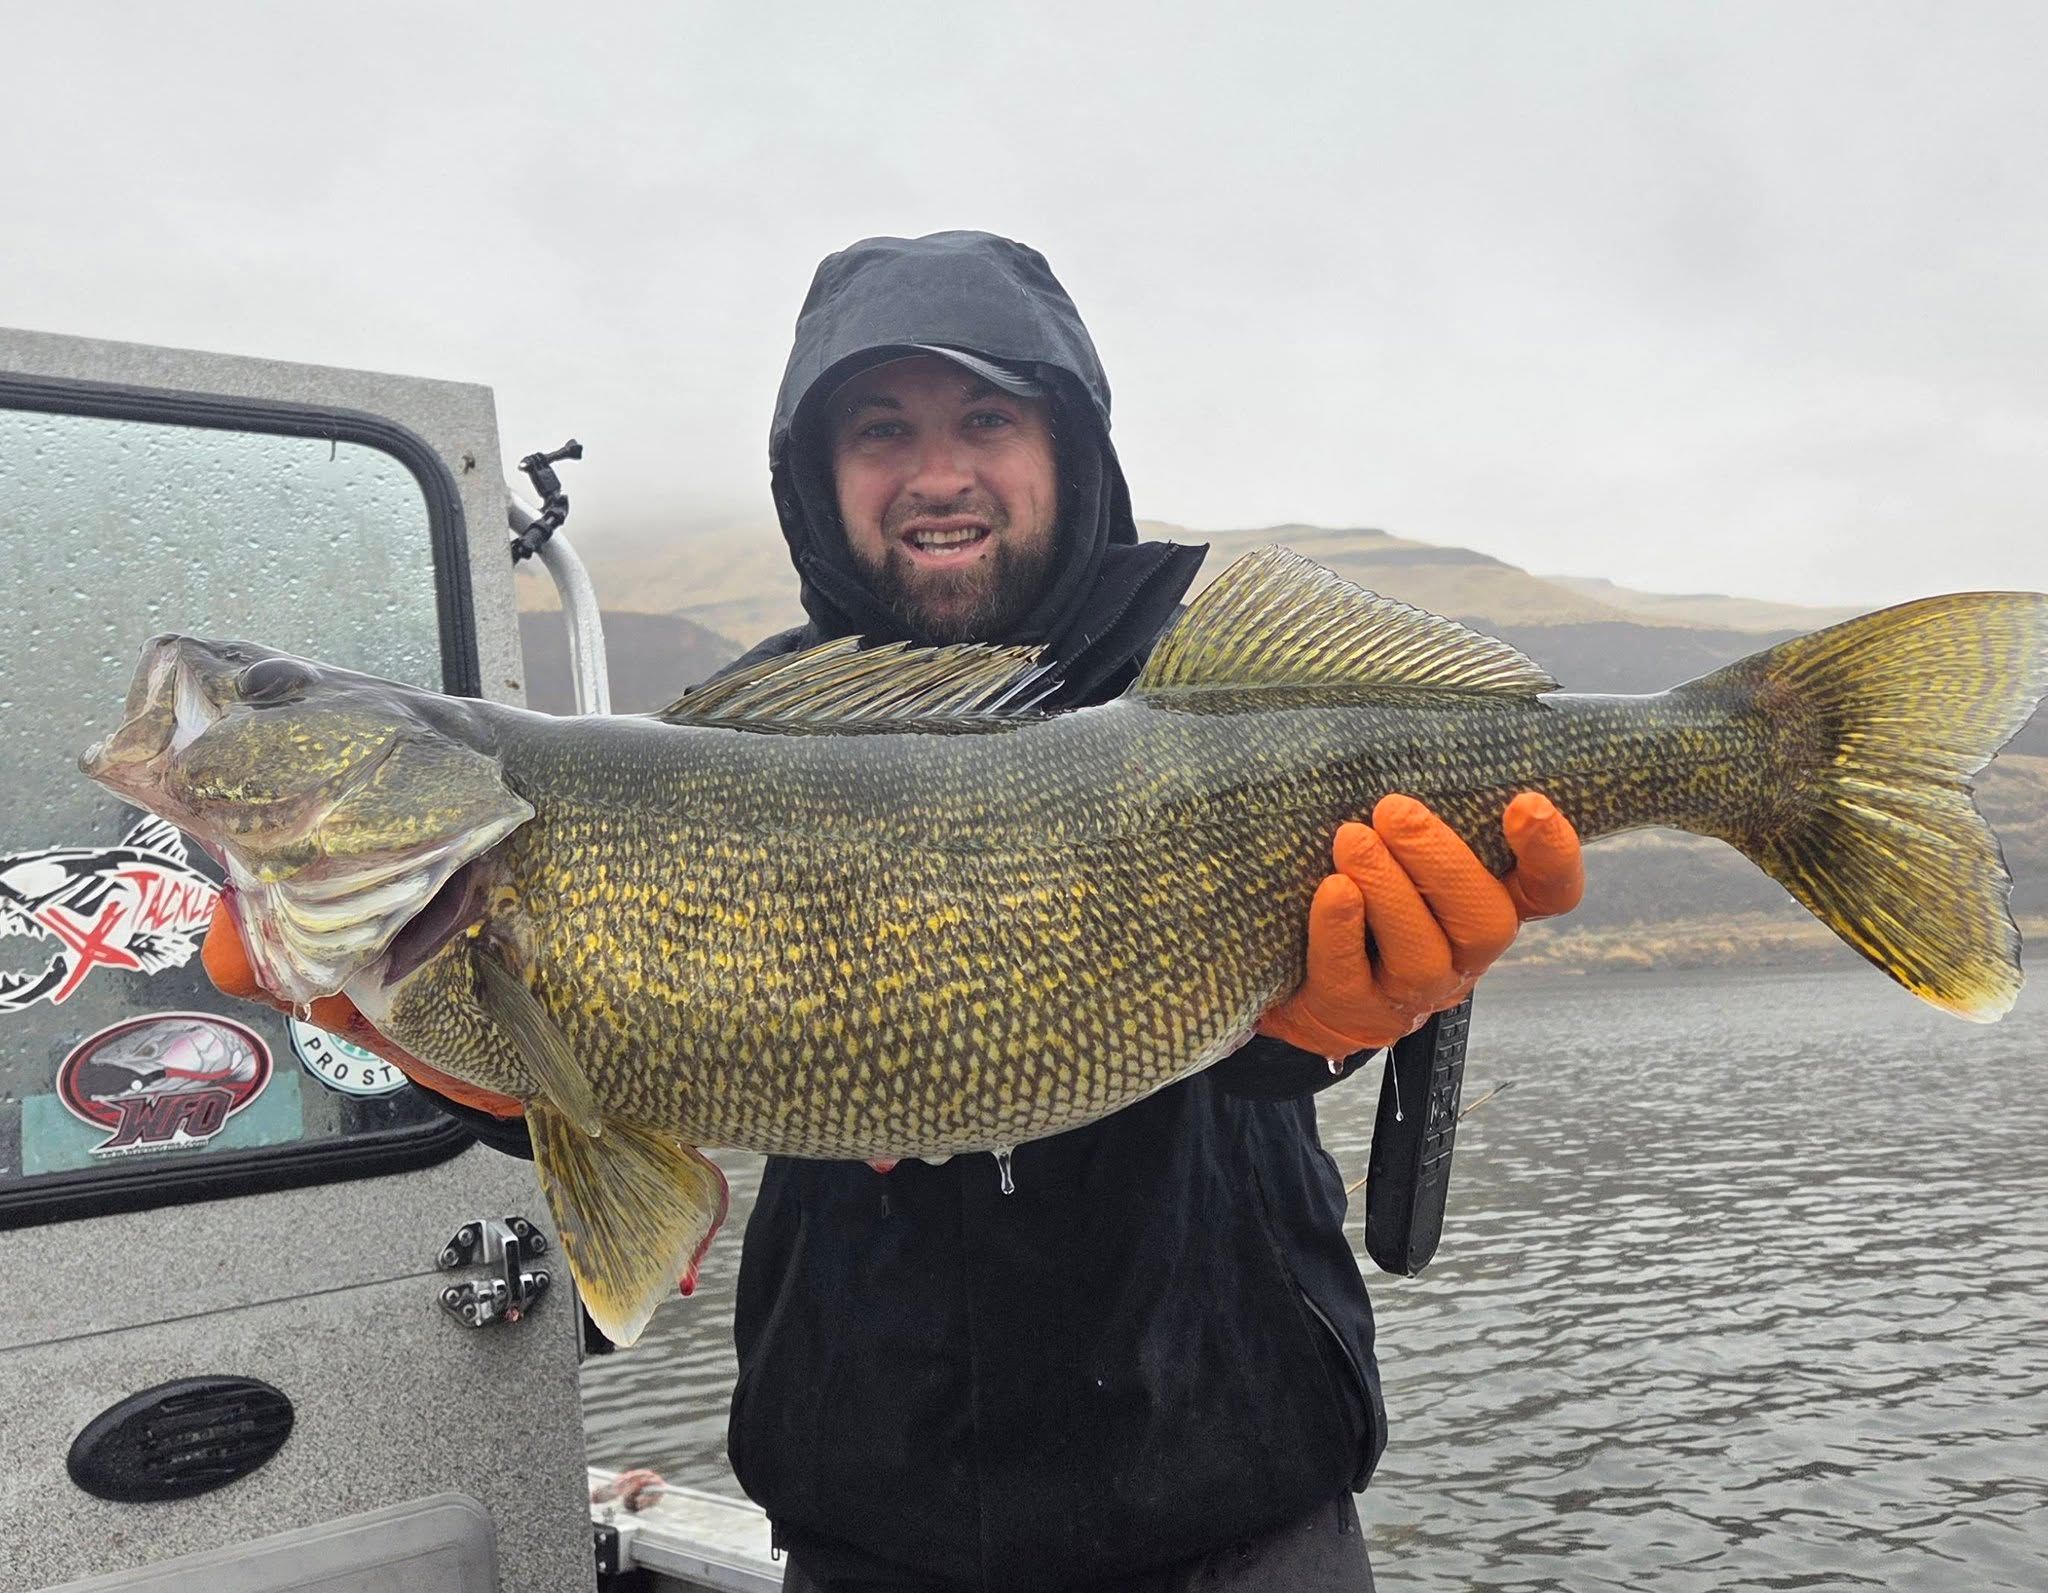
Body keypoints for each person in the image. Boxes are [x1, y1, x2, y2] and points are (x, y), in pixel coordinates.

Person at [206, 230, 1583, 1593]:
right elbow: (637, 1076)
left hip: (1239, 1495)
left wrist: (1324, 1036)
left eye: (987, 417)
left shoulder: (1205, 689)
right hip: (874, 1517)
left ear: (1070, 450)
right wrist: (473, 1059)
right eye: (881, 430)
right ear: (815, 477)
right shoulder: (733, 737)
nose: (937, 474)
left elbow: (1287, 1023)